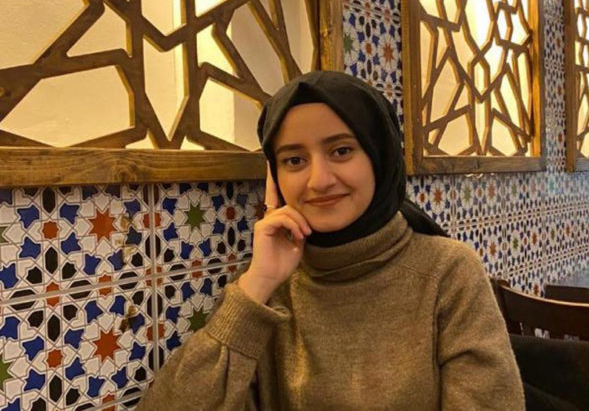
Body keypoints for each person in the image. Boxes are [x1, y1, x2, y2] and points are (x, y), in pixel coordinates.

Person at [136, 71, 524, 410]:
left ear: (379, 156)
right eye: (294, 160)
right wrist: (256, 287)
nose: (319, 180)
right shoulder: (267, 287)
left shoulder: (447, 272)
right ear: (274, 178)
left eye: (341, 151)